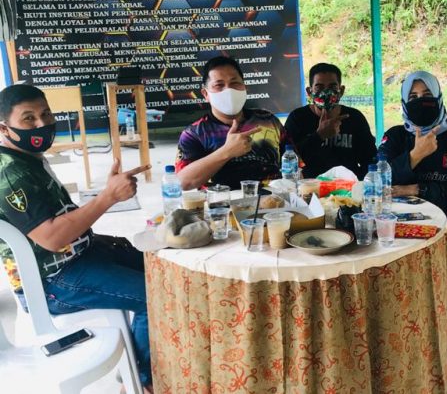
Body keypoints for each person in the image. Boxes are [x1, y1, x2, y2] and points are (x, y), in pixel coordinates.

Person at [0, 84, 153, 390]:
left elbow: (62, 218)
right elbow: (53, 238)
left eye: (46, 114)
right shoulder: (10, 174)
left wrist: (97, 233)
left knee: (164, 271)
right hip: (51, 282)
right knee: (153, 296)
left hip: (79, 257)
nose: (42, 124)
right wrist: (108, 197)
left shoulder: (28, 158)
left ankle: (155, 358)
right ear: (4, 128)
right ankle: (142, 383)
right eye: (28, 118)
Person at [378, 71, 447, 346]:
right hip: (401, 221)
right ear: (403, 101)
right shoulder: (395, 136)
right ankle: (398, 321)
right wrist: (415, 155)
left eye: (426, 95)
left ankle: (445, 321)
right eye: (413, 97)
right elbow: (377, 179)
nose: (420, 101)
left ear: (438, 97)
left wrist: (415, 189)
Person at [176, 55, 287, 190]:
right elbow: (182, 183)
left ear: (244, 87)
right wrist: (226, 151)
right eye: (219, 85)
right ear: (205, 94)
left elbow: (293, 162)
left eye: (235, 83)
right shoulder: (194, 133)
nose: (228, 90)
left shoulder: (267, 120)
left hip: (273, 199)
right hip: (221, 202)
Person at [285, 63, 377, 179]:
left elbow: (370, 159)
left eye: (332, 87)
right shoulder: (297, 118)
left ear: (341, 91)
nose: (326, 93)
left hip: (347, 186)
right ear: (309, 92)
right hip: (310, 185)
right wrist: (319, 136)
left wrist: (360, 183)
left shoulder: (354, 118)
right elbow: (289, 161)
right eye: (319, 88)